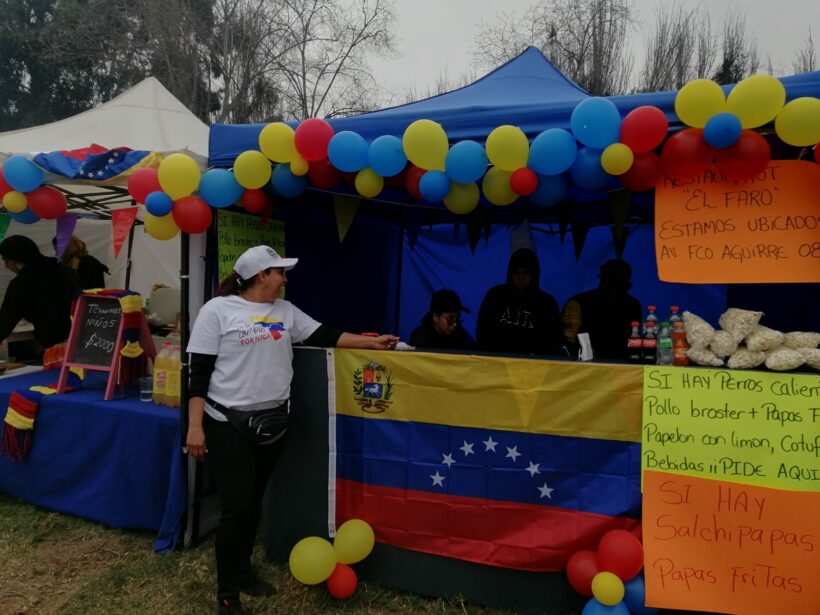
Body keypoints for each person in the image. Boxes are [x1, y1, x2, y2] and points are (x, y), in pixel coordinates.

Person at [185, 245, 398, 615]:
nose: (284, 279)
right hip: (226, 423)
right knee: (237, 507)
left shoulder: (285, 311)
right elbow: (198, 373)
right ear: (261, 276)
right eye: (279, 272)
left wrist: (371, 341)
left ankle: (244, 571)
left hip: (273, 423)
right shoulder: (217, 311)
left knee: (253, 503)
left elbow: (325, 335)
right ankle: (227, 596)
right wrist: (194, 426)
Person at [0, 235, 79, 360]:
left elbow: (6, 319)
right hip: (81, 334)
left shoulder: (21, 283)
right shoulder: (62, 268)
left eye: (6, 260)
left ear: (15, 259)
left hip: (55, 342)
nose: (6, 266)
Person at [476, 248, 562, 356]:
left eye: (526, 273)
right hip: (497, 362)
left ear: (534, 275)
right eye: (517, 273)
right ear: (510, 273)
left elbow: (552, 341)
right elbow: (483, 332)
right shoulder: (495, 297)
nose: (521, 278)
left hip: (533, 364)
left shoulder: (546, 304)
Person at [561, 259, 642, 360]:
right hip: (590, 364)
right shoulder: (633, 305)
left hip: (607, 364)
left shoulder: (633, 305)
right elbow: (568, 344)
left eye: (617, 284)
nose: (614, 290)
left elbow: (568, 343)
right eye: (612, 284)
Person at [409, 289, 475, 351]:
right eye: (450, 319)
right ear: (436, 317)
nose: (455, 324)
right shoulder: (421, 339)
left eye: (457, 319)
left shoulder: (460, 336)